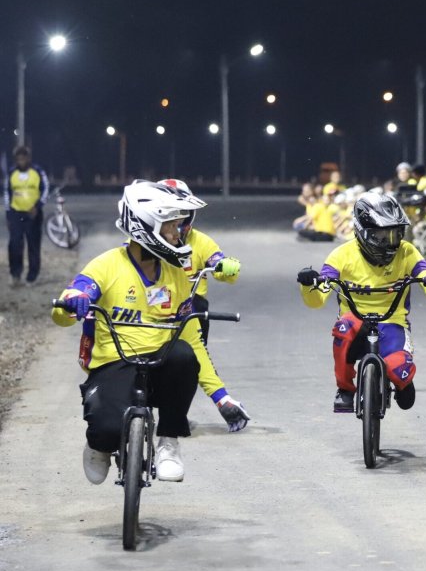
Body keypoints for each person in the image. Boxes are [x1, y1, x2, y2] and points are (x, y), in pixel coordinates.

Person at [51, 181, 247, 485]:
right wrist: (71, 303)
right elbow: (73, 298)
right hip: (113, 363)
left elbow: (192, 338)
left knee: (184, 357)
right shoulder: (107, 264)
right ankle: (98, 447)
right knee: (105, 431)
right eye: (170, 226)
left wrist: (220, 396)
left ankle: (169, 441)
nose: (178, 233)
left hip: (160, 364)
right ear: (146, 225)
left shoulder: (176, 275)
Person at [297, 192, 426, 413]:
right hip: (354, 324)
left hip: (393, 323)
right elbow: (317, 298)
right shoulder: (342, 255)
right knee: (342, 327)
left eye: (395, 234)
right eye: (380, 235)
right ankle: (345, 390)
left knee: (399, 372)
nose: (390, 242)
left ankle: (403, 382)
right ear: (362, 232)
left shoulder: (407, 251)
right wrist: (308, 284)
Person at [156, 179, 242, 344]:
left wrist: (225, 267)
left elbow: (217, 261)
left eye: (181, 214)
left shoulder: (201, 242)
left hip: (191, 308)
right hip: (154, 305)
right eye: (170, 215)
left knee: (199, 306)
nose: (176, 222)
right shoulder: (141, 245)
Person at [4, 146, 49, 287]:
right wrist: (8, 214)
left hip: (33, 214)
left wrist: (38, 206)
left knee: (33, 246)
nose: (21, 161)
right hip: (16, 213)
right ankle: (15, 273)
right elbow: (7, 193)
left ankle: (32, 276)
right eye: (18, 159)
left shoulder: (38, 172)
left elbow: (45, 189)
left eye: (23, 158)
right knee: (15, 244)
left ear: (28, 158)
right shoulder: (12, 173)